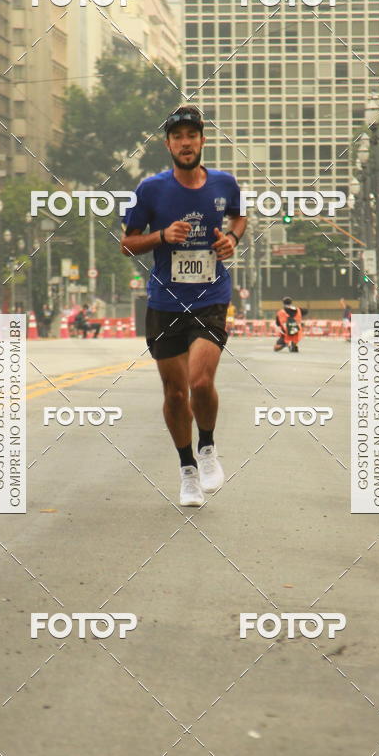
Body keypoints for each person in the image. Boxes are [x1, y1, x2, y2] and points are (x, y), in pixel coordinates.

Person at [121, 105, 247, 506]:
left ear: (202, 141)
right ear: (168, 145)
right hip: (165, 302)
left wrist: (232, 239)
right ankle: (187, 468)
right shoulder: (150, 190)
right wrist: (162, 236)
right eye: (178, 137)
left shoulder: (225, 183)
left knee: (200, 382)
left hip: (211, 296)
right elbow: (128, 243)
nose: (186, 143)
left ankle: (207, 447)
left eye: (192, 135)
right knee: (176, 394)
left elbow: (239, 217)